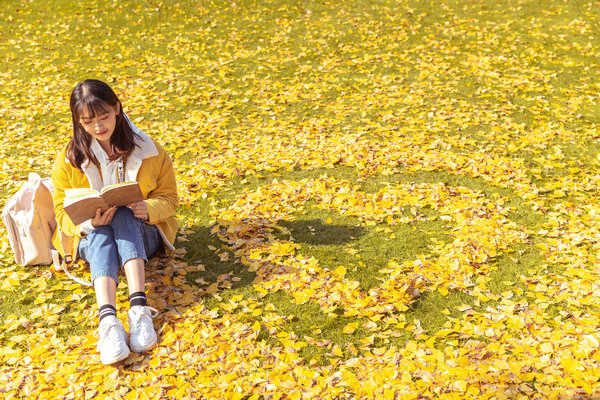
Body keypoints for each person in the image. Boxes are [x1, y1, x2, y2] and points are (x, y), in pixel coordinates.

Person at [51, 79, 178, 365]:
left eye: (104, 116)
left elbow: (170, 200)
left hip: (142, 232)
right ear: (77, 121)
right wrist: (88, 224)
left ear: (117, 108)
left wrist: (148, 207)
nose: (98, 127)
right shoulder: (68, 159)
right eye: (88, 121)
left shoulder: (150, 151)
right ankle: (108, 321)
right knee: (99, 233)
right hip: (93, 238)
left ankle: (138, 309)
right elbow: (61, 213)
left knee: (122, 214)